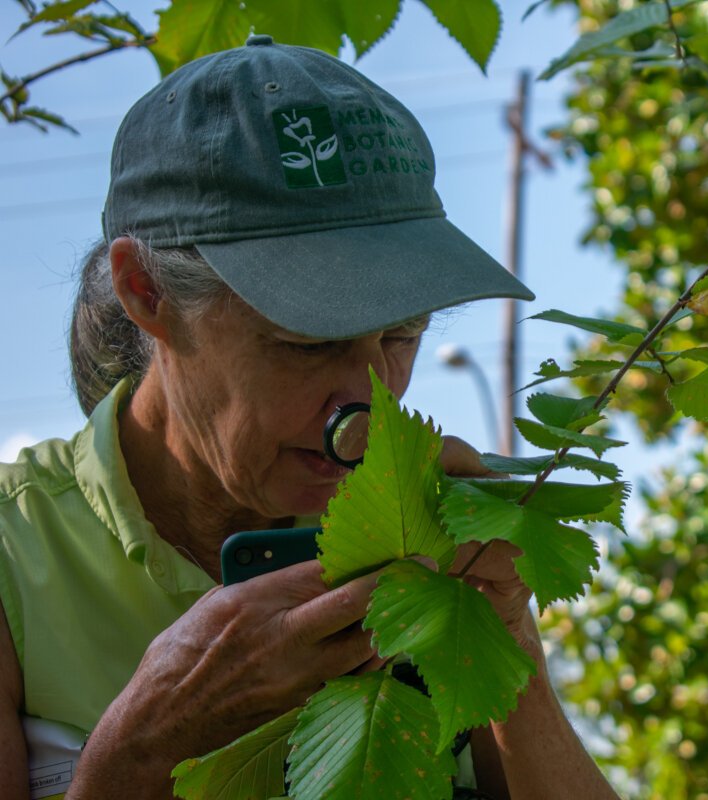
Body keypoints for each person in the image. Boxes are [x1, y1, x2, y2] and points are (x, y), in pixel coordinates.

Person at [0, 35, 618, 800]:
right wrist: (137, 755)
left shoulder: (417, 530)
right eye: (306, 342)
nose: (366, 405)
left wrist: (504, 642)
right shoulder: (13, 555)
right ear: (146, 291)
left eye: (402, 334)